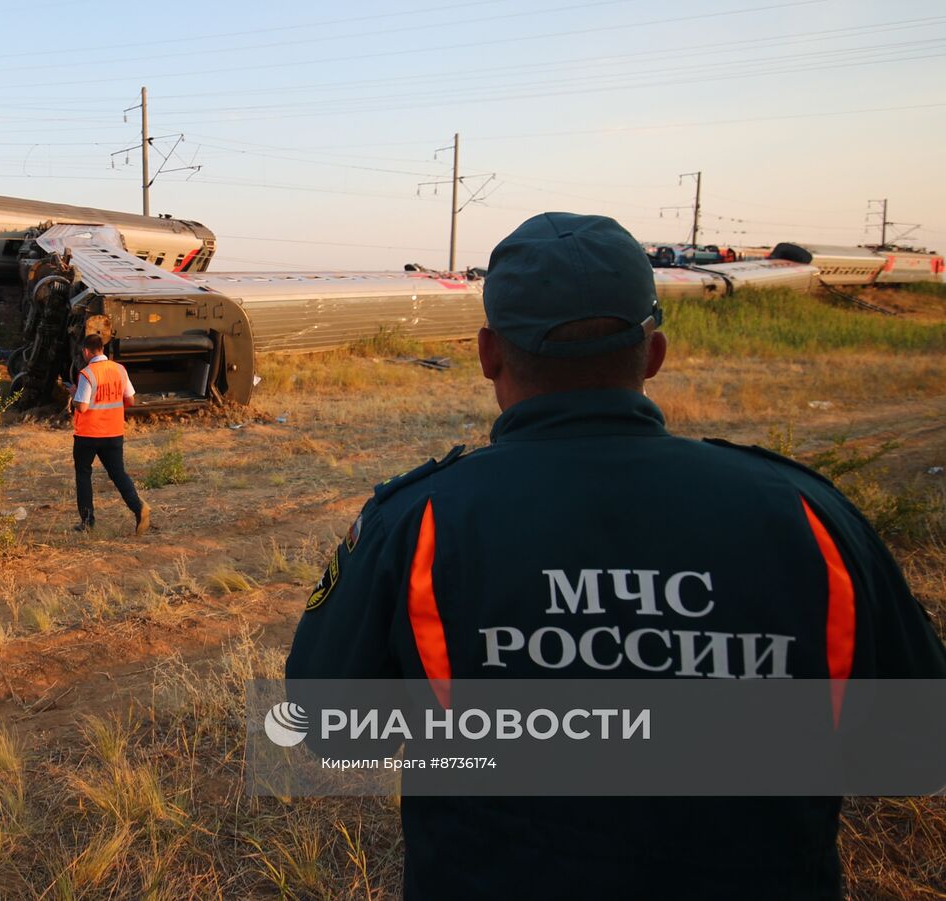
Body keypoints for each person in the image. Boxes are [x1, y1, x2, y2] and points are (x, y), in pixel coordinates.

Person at [286, 212, 946, 900]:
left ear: (488, 354)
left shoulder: (418, 523)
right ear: (653, 354)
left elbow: (327, 733)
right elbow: (913, 754)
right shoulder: (809, 516)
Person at [71, 334, 150, 535]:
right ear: (102, 349)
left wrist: (73, 395)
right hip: (114, 432)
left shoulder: (87, 374)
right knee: (118, 474)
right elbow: (130, 400)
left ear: (86, 351)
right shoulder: (119, 370)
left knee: (83, 475)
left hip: (88, 435)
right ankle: (138, 507)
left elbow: (82, 406)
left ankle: (87, 522)